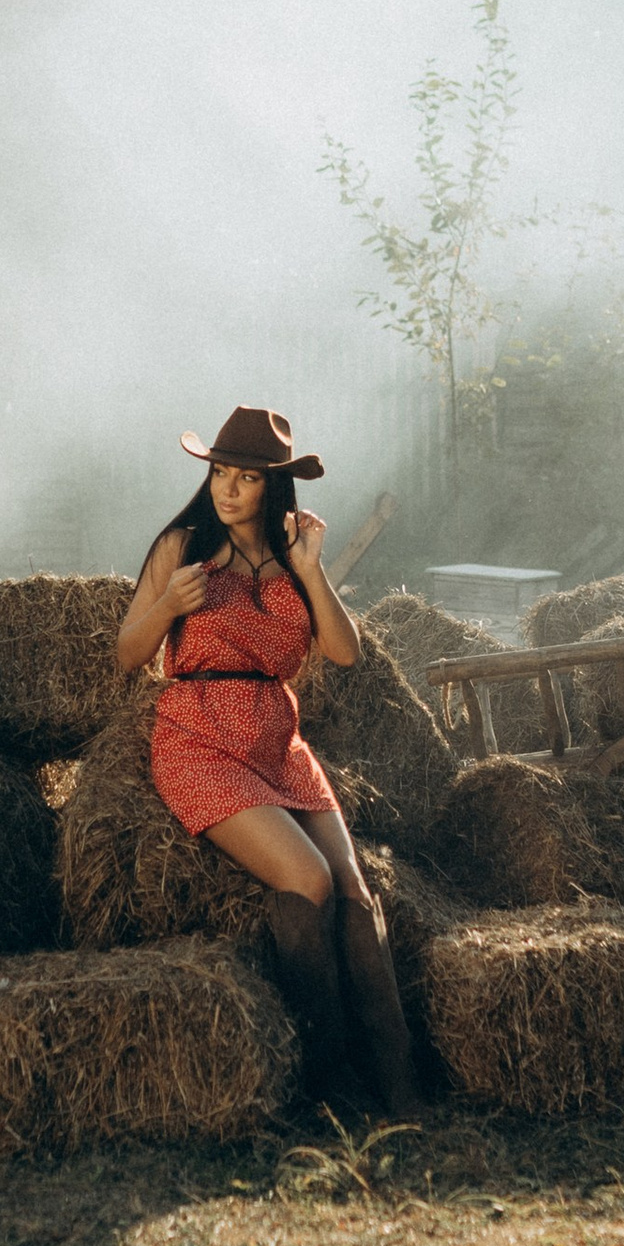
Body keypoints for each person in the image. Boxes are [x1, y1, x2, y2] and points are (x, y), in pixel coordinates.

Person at [116, 405, 420, 1120]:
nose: (227, 489)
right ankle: (328, 1082)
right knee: (308, 880)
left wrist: (314, 575)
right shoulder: (183, 545)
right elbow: (128, 654)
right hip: (198, 735)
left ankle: (402, 1086)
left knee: (355, 890)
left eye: (245, 478)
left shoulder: (292, 557)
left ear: (271, 487)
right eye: (220, 472)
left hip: (278, 741)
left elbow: (344, 652)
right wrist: (167, 606)